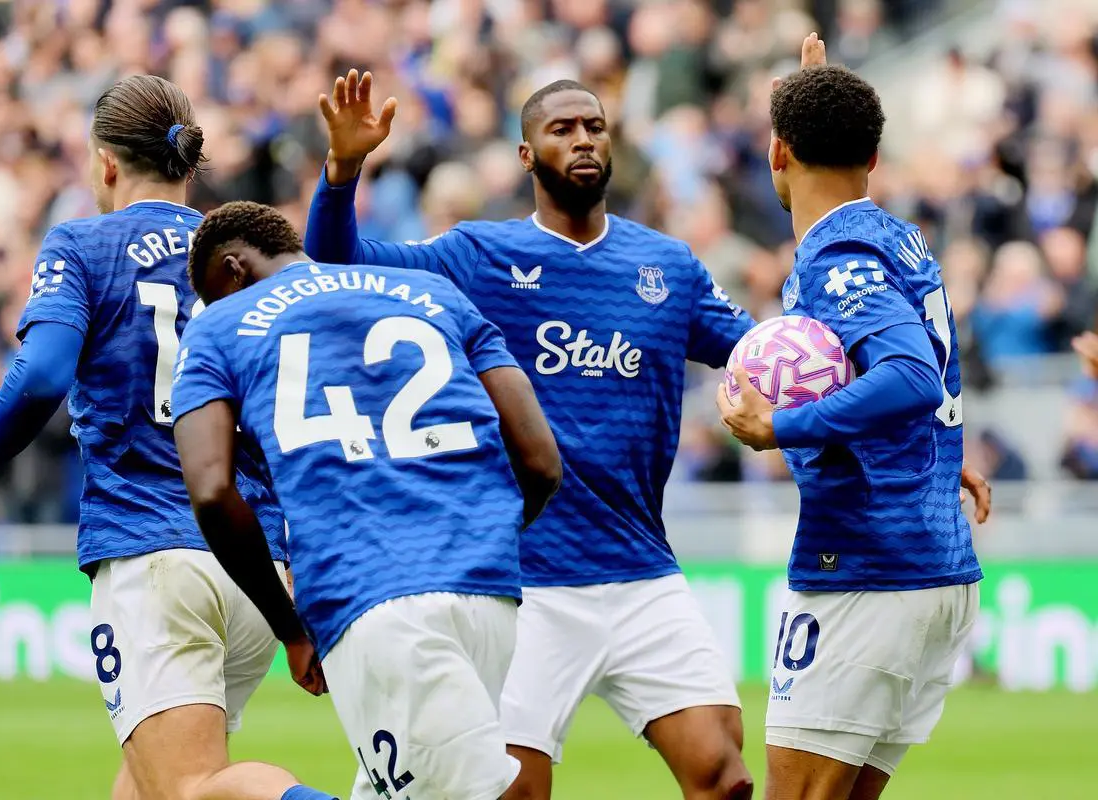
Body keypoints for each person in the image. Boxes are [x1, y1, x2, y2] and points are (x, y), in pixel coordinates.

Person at [304, 69, 756, 800]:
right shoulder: (477, 258)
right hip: (528, 583)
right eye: (562, 129)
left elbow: (764, 357)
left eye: (594, 126)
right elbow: (337, 265)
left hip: (643, 570)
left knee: (723, 775)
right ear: (526, 156)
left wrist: (898, 422)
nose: (583, 139)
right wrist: (344, 169)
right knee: (515, 792)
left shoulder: (666, 266)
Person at [0, 76, 334, 800]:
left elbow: (44, 372)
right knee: (146, 789)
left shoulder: (84, 244)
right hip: (257, 563)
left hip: (155, 556)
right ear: (188, 164)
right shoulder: (241, 257)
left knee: (188, 786)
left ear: (106, 163)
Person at [171, 200, 562, 800]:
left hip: (374, 594)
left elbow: (211, 488)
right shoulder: (432, 291)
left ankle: (258, 792)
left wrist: (289, 628)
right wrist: (480, 538)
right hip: (491, 595)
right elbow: (541, 463)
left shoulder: (219, 326)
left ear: (233, 269)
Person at [716, 46, 993, 800]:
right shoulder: (896, 236)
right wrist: (941, 454)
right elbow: (921, 376)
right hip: (931, 563)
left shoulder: (839, 256)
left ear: (778, 151)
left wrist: (785, 425)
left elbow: (908, 374)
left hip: (866, 569)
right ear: (873, 155)